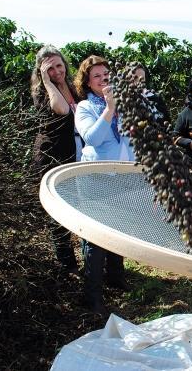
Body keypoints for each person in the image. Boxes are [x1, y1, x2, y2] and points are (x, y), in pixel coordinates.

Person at [74, 55, 134, 316]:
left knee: (119, 228)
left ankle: (116, 277)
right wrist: (109, 109)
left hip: (122, 177)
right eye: (96, 75)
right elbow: (93, 138)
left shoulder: (126, 104)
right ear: (88, 82)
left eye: (106, 73)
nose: (104, 78)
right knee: (96, 237)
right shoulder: (86, 107)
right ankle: (92, 295)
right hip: (95, 177)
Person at [31, 45, 80, 277]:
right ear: (41, 71)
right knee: (58, 211)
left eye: (59, 65)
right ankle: (67, 265)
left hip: (74, 152)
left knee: (75, 206)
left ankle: (79, 258)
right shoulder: (41, 92)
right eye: (50, 69)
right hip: (52, 156)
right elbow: (61, 110)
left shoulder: (73, 88)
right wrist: (47, 82)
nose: (57, 72)